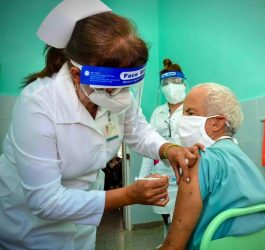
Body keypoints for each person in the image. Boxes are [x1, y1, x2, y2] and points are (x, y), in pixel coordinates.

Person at [0, 1, 199, 249]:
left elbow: (138, 131)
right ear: (77, 75)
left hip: (82, 226)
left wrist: (169, 149)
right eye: (114, 86)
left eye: (128, 85)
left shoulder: (114, 93)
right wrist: (128, 195)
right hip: (30, 229)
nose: (123, 95)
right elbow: (44, 201)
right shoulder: (37, 104)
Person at [160, 83, 265, 250]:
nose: (181, 119)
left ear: (216, 123)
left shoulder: (197, 160)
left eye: (190, 112)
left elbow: (173, 246)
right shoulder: (245, 159)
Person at [138, 58, 186, 241]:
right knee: (167, 220)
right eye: (166, 83)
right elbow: (149, 149)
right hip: (162, 176)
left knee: (185, 222)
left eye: (175, 81)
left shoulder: (193, 108)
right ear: (161, 86)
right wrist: (144, 178)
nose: (171, 86)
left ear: (183, 82)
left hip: (186, 176)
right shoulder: (158, 112)